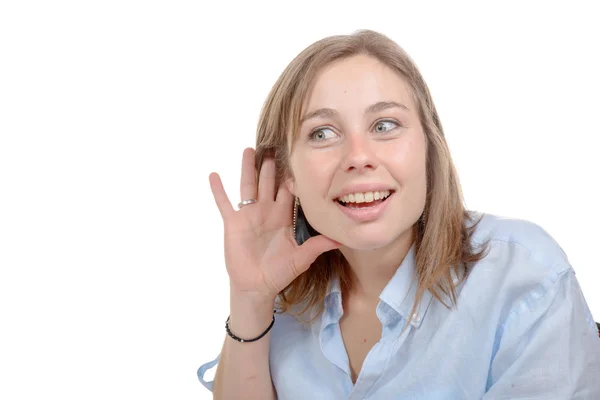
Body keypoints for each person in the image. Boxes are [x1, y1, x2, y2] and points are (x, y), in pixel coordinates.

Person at [197, 29, 600, 399]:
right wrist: (250, 299)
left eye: (385, 125)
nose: (358, 157)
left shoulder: (523, 277)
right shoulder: (283, 300)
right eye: (322, 133)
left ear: (428, 146)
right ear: (287, 176)